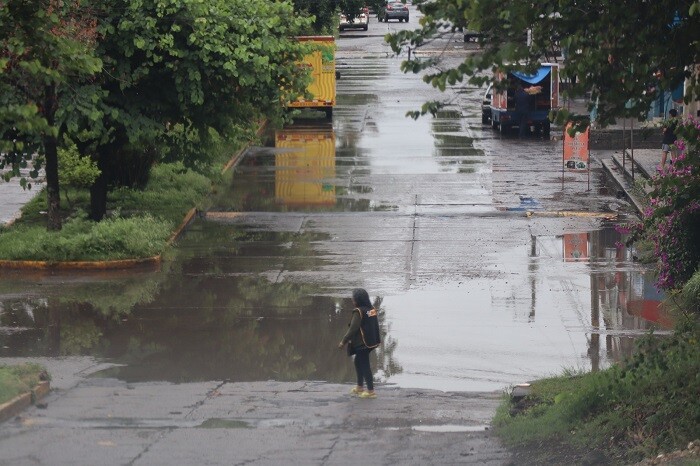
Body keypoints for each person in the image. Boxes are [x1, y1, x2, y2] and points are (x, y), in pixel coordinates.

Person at [337, 288, 381, 399]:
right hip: (371, 342)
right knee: (358, 361)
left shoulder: (358, 311)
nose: (352, 300)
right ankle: (360, 387)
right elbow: (374, 325)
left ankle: (371, 391)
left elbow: (353, 329)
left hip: (362, 344)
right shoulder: (371, 310)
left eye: (353, 298)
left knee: (365, 365)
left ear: (358, 300)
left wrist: (343, 341)